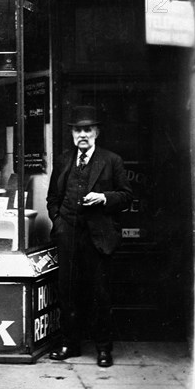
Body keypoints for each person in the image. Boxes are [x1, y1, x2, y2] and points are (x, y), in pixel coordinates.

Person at [47, 105, 132, 367]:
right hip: (69, 233)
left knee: (100, 294)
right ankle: (70, 344)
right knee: (67, 293)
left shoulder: (111, 160)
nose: (82, 135)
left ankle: (103, 349)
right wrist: (59, 221)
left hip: (98, 237)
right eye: (77, 130)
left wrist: (104, 197)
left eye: (87, 130)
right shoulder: (63, 159)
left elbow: (127, 196)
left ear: (96, 133)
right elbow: (52, 197)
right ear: (73, 134)